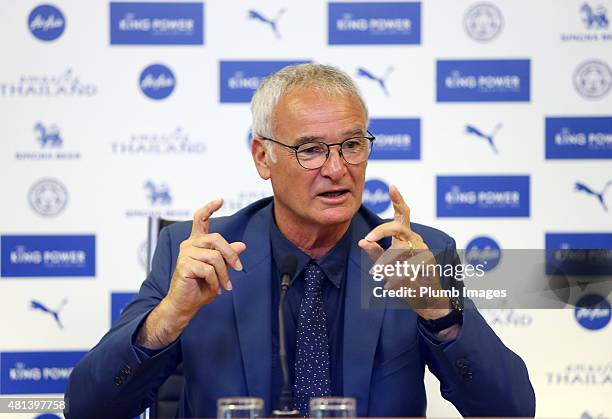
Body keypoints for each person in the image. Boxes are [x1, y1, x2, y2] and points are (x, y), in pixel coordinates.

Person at [65, 64, 535, 418]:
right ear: (262, 157)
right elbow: (87, 408)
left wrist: (439, 313)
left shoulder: (414, 255)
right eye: (310, 150)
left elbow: (512, 410)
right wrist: (167, 319)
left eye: (352, 145)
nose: (336, 169)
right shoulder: (195, 254)